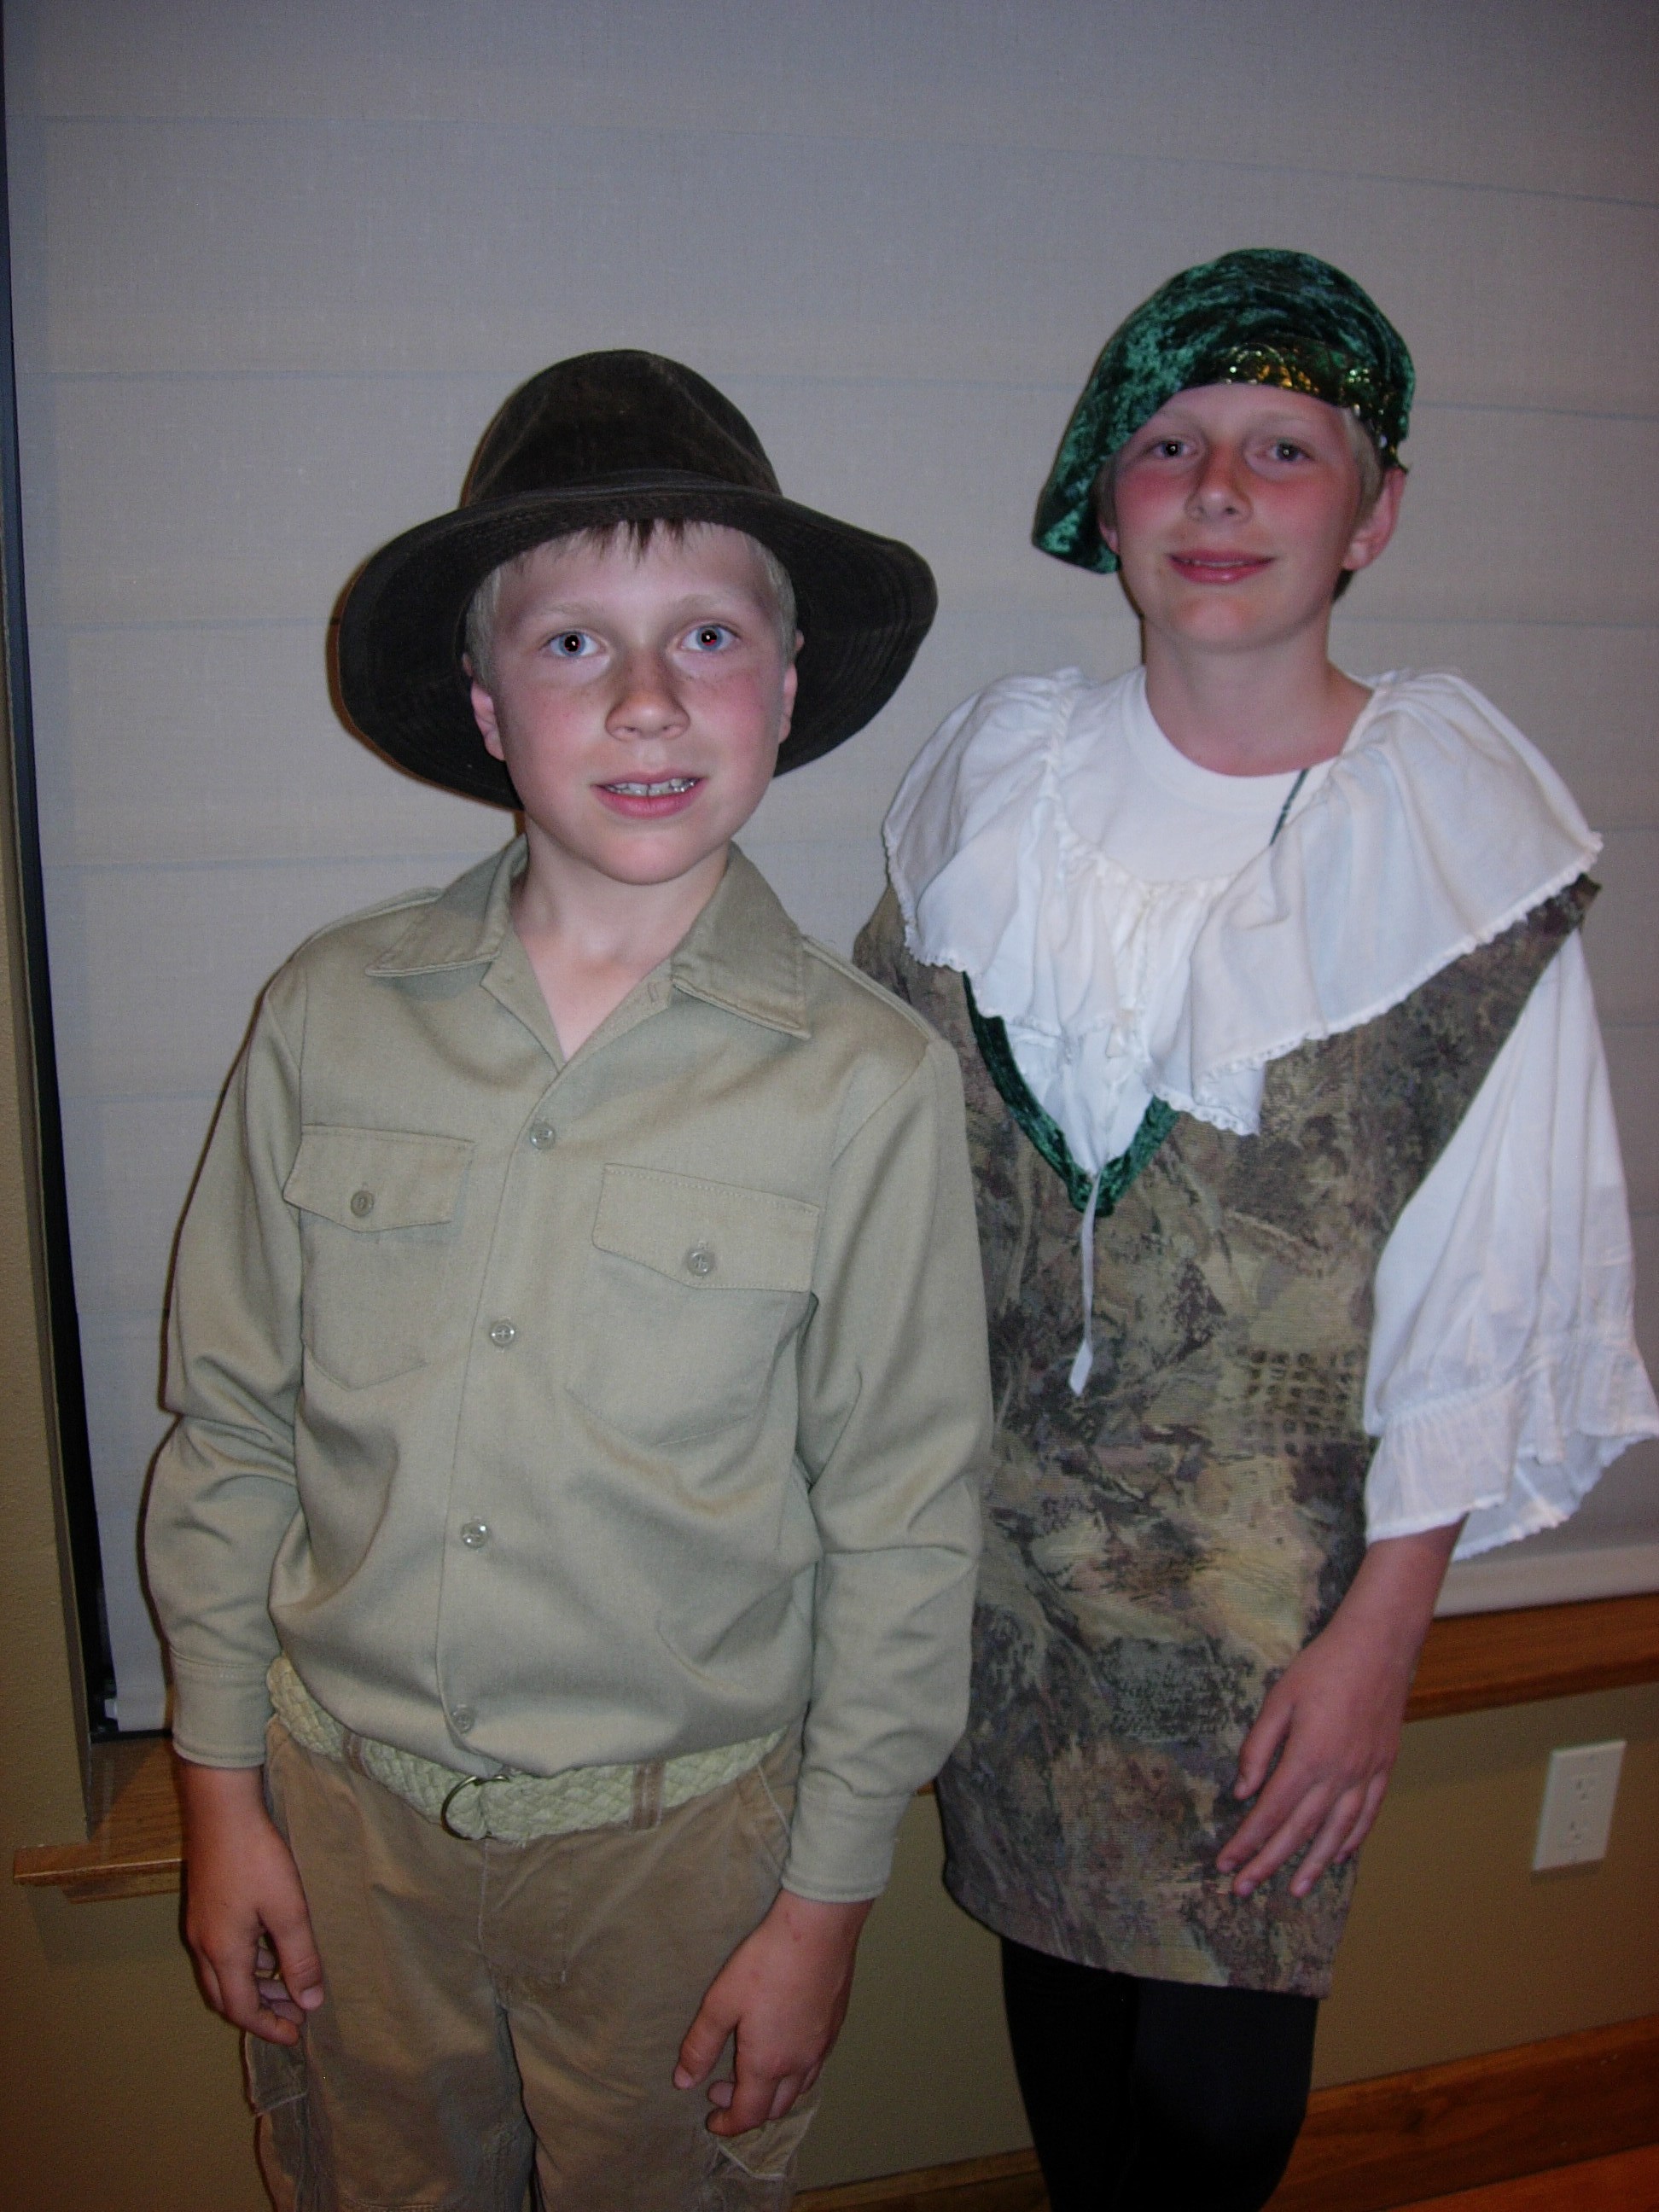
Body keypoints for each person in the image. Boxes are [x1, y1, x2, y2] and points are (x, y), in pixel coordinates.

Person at [855, 249, 1658, 2211]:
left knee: (1215, 2109)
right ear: (1108, 497)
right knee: (1062, 2015)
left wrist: (1384, 1635)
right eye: (1171, 444)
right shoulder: (992, 789)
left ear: (1373, 513)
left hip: (1272, 1606)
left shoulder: (1456, 838)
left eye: (1284, 448)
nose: (1218, 490)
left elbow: (1493, 1278)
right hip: (1003, 1571)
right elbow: (880, 1150)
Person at [146, 349, 990, 2212]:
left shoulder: (866, 1084)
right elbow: (233, 1430)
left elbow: (906, 1517)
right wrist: (217, 1794)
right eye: (573, 643)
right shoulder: (328, 1016)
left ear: (787, 687)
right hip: (348, 1834)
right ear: (485, 705)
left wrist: (826, 1906)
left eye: (707, 637)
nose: (643, 698)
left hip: (680, 1862)